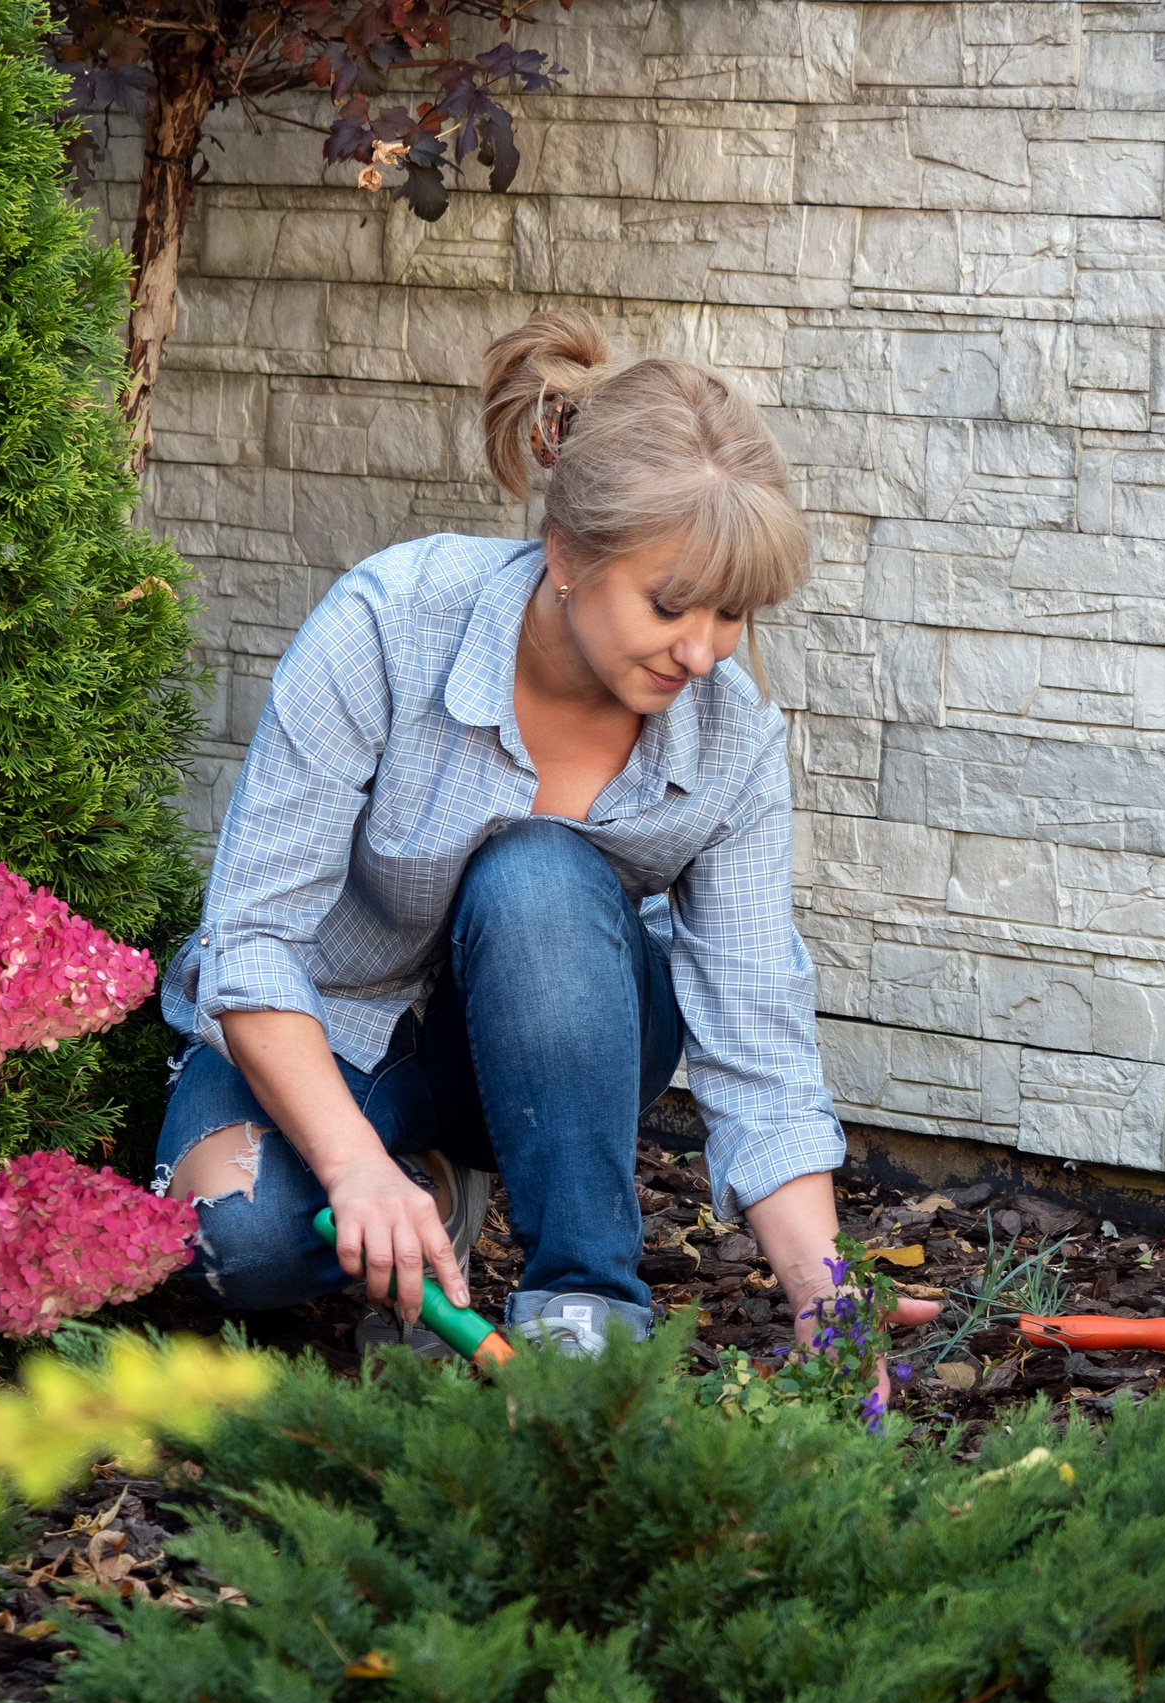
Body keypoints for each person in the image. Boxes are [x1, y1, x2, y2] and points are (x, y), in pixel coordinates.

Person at [155, 310, 850, 1356]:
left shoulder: (729, 738)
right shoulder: (391, 624)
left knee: (534, 873)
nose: (704, 653)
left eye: (733, 614)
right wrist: (355, 1168)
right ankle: (424, 1180)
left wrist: (826, 1298)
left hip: (559, 1045)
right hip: (338, 1022)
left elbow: (758, 1037)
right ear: (566, 555)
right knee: (239, 1239)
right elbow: (252, 943)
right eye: (673, 607)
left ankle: (585, 1308)